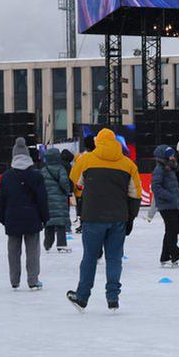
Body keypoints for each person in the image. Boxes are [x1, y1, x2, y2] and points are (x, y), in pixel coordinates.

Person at [66, 128, 142, 312]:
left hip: (93, 217)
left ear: (98, 142)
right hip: (118, 218)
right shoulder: (128, 164)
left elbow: (75, 180)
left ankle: (82, 297)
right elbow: (136, 194)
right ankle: (113, 298)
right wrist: (130, 218)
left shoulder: (86, 160)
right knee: (114, 258)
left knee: (90, 257)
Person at [0, 138, 50, 289]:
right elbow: (42, 199)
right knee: (33, 251)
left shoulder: (6, 177)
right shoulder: (36, 176)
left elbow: (1, 200)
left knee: (13, 251)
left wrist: (2, 218)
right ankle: (33, 280)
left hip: (12, 218)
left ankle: (14, 280)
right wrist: (45, 218)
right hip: (32, 217)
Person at [149, 145, 179, 267]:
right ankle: (175, 256)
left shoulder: (169, 168)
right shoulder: (159, 169)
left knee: (171, 230)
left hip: (173, 204)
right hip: (166, 205)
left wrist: (178, 196)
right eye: (170, 155)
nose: (172, 157)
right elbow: (156, 187)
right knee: (172, 231)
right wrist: (170, 196)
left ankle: (165, 257)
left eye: (172, 155)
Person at [41, 147, 74, 253]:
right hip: (59, 199)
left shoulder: (43, 170)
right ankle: (61, 245)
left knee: (49, 223)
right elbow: (64, 182)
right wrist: (67, 191)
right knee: (60, 224)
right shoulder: (61, 169)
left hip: (47, 200)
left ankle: (47, 244)